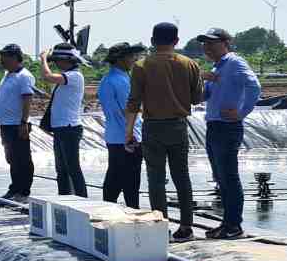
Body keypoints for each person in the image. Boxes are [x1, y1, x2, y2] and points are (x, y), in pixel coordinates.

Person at [124, 22, 203, 241]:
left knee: (156, 179)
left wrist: (129, 132)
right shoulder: (190, 64)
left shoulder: (141, 66)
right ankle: (186, 227)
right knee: (182, 177)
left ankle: (161, 227)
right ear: (176, 41)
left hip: (153, 127)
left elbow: (133, 102)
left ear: (152, 41)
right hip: (178, 126)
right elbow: (197, 98)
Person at [193, 28, 263, 239]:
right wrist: (200, 79)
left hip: (228, 127)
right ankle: (227, 223)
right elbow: (203, 96)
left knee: (229, 177)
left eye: (212, 43)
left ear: (225, 43)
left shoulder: (234, 62)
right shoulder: (217, 67)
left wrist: (241, 112)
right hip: (214, 126)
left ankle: (234, 225)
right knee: (220, 177)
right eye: (205, 44)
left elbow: (254, 86)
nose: (207, 47)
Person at [98, 43, 145, 207]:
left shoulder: (106, 79)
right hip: (128, 137)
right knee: (131, 183)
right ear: (120, 59)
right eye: (131, 56)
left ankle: (107, 210)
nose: (134, 59)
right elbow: (130, 110)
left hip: (113, 135)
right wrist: (130, 135)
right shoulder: (122, 81)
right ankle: (133, 213)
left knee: (114, 178)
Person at [38, 43, 89, 197]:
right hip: (61, 127)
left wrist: (43, 59)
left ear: (67, 60)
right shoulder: (67, 77)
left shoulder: (75, 76)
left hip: (69, 127)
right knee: (61, 169)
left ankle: (82, 199)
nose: (56, 64)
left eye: (58, 60)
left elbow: (47, 77)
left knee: (73, 168)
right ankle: (64, 198)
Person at [0, 44, 35, 200]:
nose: (1, 60)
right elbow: (4, 100)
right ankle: (14, 188)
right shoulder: (7, 75)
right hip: (6, 124)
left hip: (18, 124)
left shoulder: (24, 76)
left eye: (5, 57)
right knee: (11, 158)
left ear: (15, 58)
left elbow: (27, 99)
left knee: (23, 159)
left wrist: (24, 122)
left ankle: (23, 191)